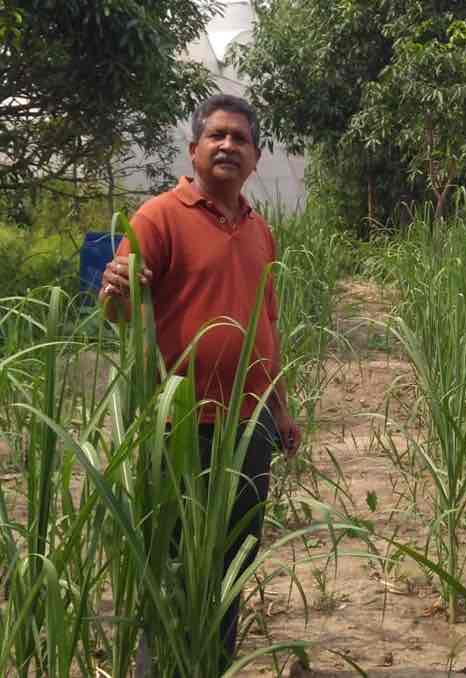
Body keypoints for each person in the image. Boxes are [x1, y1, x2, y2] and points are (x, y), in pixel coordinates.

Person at [98, 93, 301, 669]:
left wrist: (281, 409)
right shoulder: (159, 217)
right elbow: (118, 310)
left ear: (256, 157)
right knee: (170, 564)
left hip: (251, 426)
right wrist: (114, 291)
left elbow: (266, 324)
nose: (228, 146)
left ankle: (211, 663)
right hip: (181, 425)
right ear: (194, 150)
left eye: (240, 139)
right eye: (217, 136)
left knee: (233, 559)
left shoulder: (261, 231)